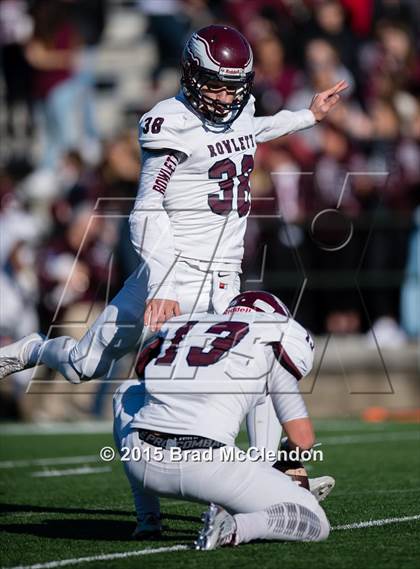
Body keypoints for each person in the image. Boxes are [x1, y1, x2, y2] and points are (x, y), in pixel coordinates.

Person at [0, 24, 343, 532]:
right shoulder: (168, 122)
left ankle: (262, 478)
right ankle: (29, 350)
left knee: (254, 370)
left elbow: (254, 129)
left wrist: (306, 116)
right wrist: (160, 285)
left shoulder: (239, 108)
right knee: (83, 364)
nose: (227, 95)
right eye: (217, 84)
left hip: (224, 277)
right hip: (171, 271)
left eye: (235, 85)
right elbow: (146, 208)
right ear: (190, 73)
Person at [114, 290, 330, 549]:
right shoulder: (274, 340)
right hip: (207, 467)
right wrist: (287, 459)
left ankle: (147, 515)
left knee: (126, 392)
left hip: (142, 462)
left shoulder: (185, 326)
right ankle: (237, 527)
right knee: (315, 520)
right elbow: (302, 439)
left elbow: (142, 371)